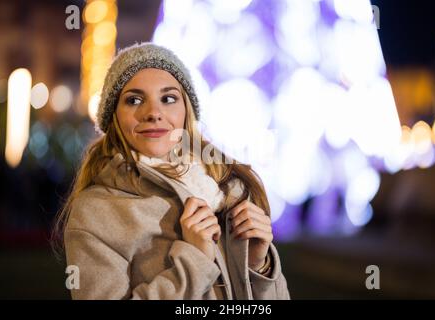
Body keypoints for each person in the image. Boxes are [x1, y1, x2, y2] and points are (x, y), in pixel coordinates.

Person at [52, 42, 291, 300]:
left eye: (168, 99)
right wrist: (194, 260)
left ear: (186, 111)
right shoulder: (96, 211)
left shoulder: (229, 190)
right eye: (134, 100)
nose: (153, 113)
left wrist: (259, 265)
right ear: (114, 117)